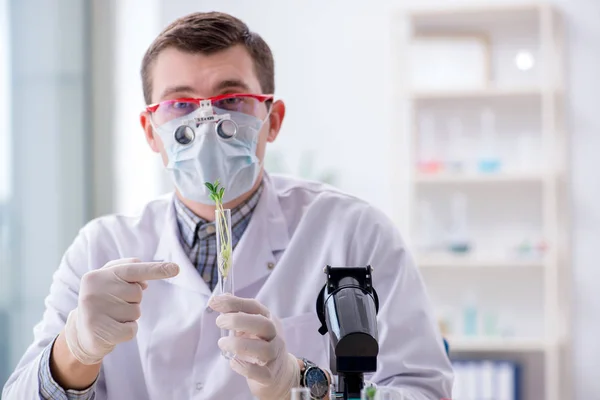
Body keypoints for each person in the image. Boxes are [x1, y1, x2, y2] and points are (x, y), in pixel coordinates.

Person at [2, 11, 453, 400]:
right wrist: (74, 351)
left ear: (271, 120)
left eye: (232, 99)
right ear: (149, 130)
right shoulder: (100, 247)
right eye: (180, 103)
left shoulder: (353, 233)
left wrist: (299, 383)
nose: (206, 121)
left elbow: (424, 390)